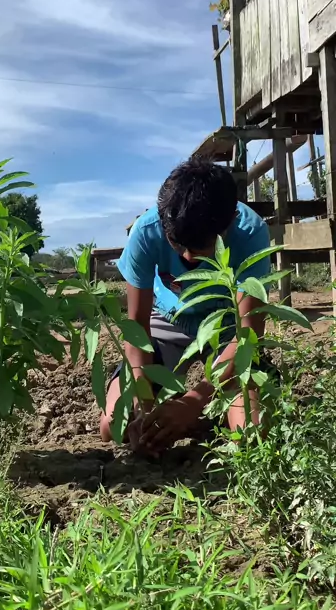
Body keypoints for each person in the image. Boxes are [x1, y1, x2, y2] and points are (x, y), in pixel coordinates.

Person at [100, 156, 271, 455]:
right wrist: (143, 402)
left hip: (227, 326)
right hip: (167, 320)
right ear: (163, 221)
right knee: (114, 425)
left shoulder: (250, 232)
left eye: (201, 246)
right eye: (178, 244)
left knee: (251, 433)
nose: (188, 257)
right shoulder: (146, 231)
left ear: (230, 220)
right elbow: (137, 328)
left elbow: (248, 334)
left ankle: (213, 408)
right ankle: (177, 411)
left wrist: (194, 401)